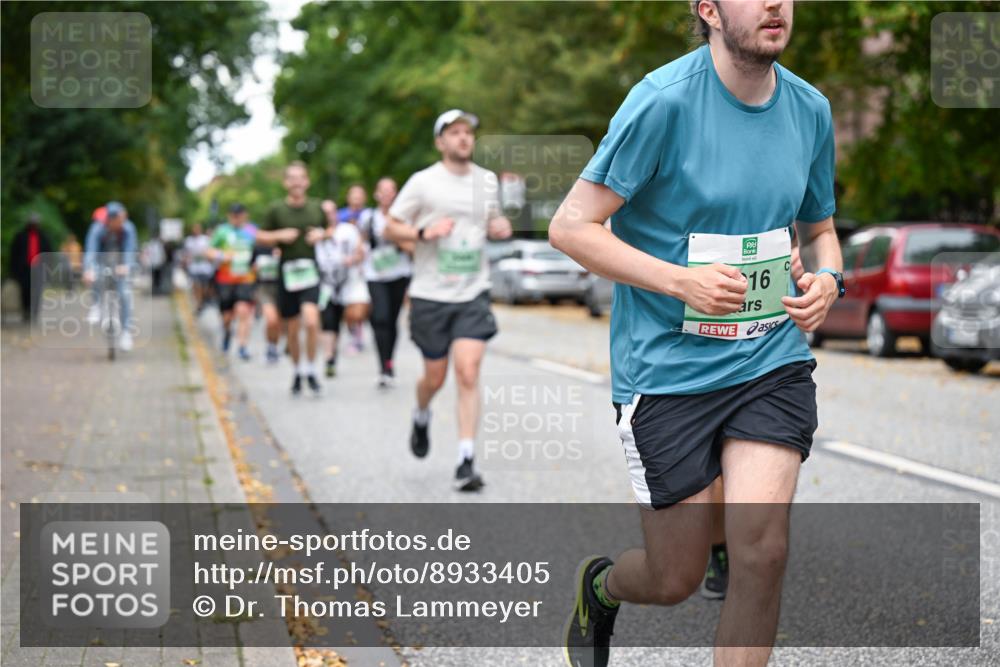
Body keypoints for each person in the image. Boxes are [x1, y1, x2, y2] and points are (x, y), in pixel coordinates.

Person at [548, 2, 845, 665]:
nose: (775, 4)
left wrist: (829, 281)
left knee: (762, 551)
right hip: (668, 369)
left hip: (769, 357)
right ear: (707, 9)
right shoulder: (662, 103)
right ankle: (601, 586)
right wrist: (680, 282)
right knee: (673, 576)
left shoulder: (810, 109)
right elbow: (571, 227)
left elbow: (821, 229)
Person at [385, 109, 513, 492]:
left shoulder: (487, 181)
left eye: (468, 132)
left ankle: (465, 459)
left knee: (468, 371)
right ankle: (421, 412)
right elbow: (390, 226)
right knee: (435, 377)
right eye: (454, 132)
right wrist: (424, 231)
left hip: (473, 291)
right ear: (440, 142)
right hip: (430, 293)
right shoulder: (423, 183)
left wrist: (499, 226)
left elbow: (493, 221)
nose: (463, 138)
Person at [256, 161, 327, 395]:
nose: (297, 182)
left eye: (301, 178)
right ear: (286, 182)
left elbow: (333, 229)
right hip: (286, 274)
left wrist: (322, 234)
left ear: (307, 181)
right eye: (292, 178)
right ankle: (298, 371)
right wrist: (279, 235)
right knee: (293, 329)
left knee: (312, 321)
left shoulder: (317, 208)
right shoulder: (276, 209)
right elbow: (260, 236)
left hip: (310, 272)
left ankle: (310, 369)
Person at [359, 177, 412, 388]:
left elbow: (412, 246)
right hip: (375, 274)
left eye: (392, 191)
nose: (388, 195)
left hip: (399, 274)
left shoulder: (405, 217)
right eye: (384, 191)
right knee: (379, 317)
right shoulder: (368, 217)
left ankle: (389, 363)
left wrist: (395, 235)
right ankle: (382, 366)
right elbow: (361, 242)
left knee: (392, 320)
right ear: (376, 194)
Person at [316, 199, 371, 378]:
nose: (329, 216)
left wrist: (353, 259)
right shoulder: (315, 233)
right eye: (325, 212)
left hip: (349, 281)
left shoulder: (348, 230)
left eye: (332, 211)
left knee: (354, 313)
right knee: (329, 322)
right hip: (326, 285)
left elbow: (361, 251)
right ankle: (329, 358)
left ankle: (354, 335)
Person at [83, 201, 138, 351]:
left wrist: (127, 266)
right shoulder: (97, 228)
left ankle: (126, 332)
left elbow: (130, 250)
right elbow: (91, 251)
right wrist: (89, 269)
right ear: (111, 219)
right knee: (95, 275)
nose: (122, 222)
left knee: (124, 293)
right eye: (119, 219)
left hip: (121, 263)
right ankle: (96, 305)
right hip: (102, 261)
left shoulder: (128, 229)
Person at [208, 204, 258, 360]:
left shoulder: (252, 231)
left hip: (246, 278)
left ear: (245, 215)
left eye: (240, 215)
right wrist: (223, 256)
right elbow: (208, 251)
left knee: (243, 311)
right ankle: (227, 331)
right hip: (225, 279)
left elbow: (262, 248)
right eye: (234, 215)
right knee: (227, 316)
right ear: (229, 216)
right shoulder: (222, 231)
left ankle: (242, 346)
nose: (237, 218)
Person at [338, 183, 371, 352]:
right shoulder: (340, 216)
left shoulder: (369, 216)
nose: (357, 198)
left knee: (362, 304)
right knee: (348, 306)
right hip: (345, 268)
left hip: (367, 266)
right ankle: (353, 332)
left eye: (360, 195)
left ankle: (358, 333)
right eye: (354, 195)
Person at [9, 212, 52, 322]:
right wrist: (14, 270)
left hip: (38, 268)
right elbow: (14, 254)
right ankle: (26, 310)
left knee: (37, 291)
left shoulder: (44, 237)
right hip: (24, 269)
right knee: (25, 290)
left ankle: (34, 311)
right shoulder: (20, 236)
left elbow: (48, 255)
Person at [253, 244, 283, 363]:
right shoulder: (259, 247)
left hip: (282, 288)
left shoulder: (285, 244)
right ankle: (270, 346)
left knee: (278, 322)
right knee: (271, 319)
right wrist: (257, 268)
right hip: (264, 288)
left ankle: (274, 346)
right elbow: (251, 266)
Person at [184, 223, 215, 312]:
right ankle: (199, 303)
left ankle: (203, 300)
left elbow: (210, 251)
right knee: (196, 285)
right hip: (194, 267)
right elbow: (187, 254)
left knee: (203, 286)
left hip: (204, 267)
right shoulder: (189, 240)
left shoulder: (205, 239)